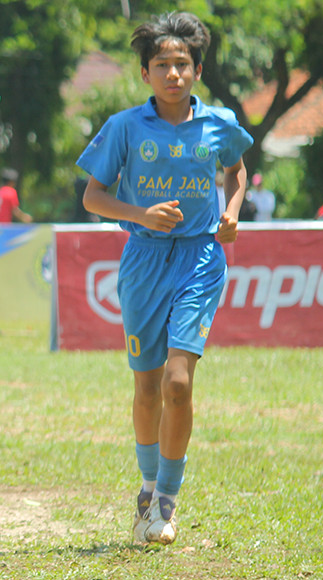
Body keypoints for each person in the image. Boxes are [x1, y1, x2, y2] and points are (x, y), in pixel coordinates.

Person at [77, 11, 253, 545]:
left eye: (182, 64)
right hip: (144, 262)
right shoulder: (125, 127)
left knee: (179, 382)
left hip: (200, 259)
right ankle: (147, 491)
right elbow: (93, 196)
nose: (173, 73)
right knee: (148, 385)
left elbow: (236, 168)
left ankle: (168, 504)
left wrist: (232, 210)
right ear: (145, 73)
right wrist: (141, 214)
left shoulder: (218, 123)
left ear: (197, 70)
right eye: (162, 64)